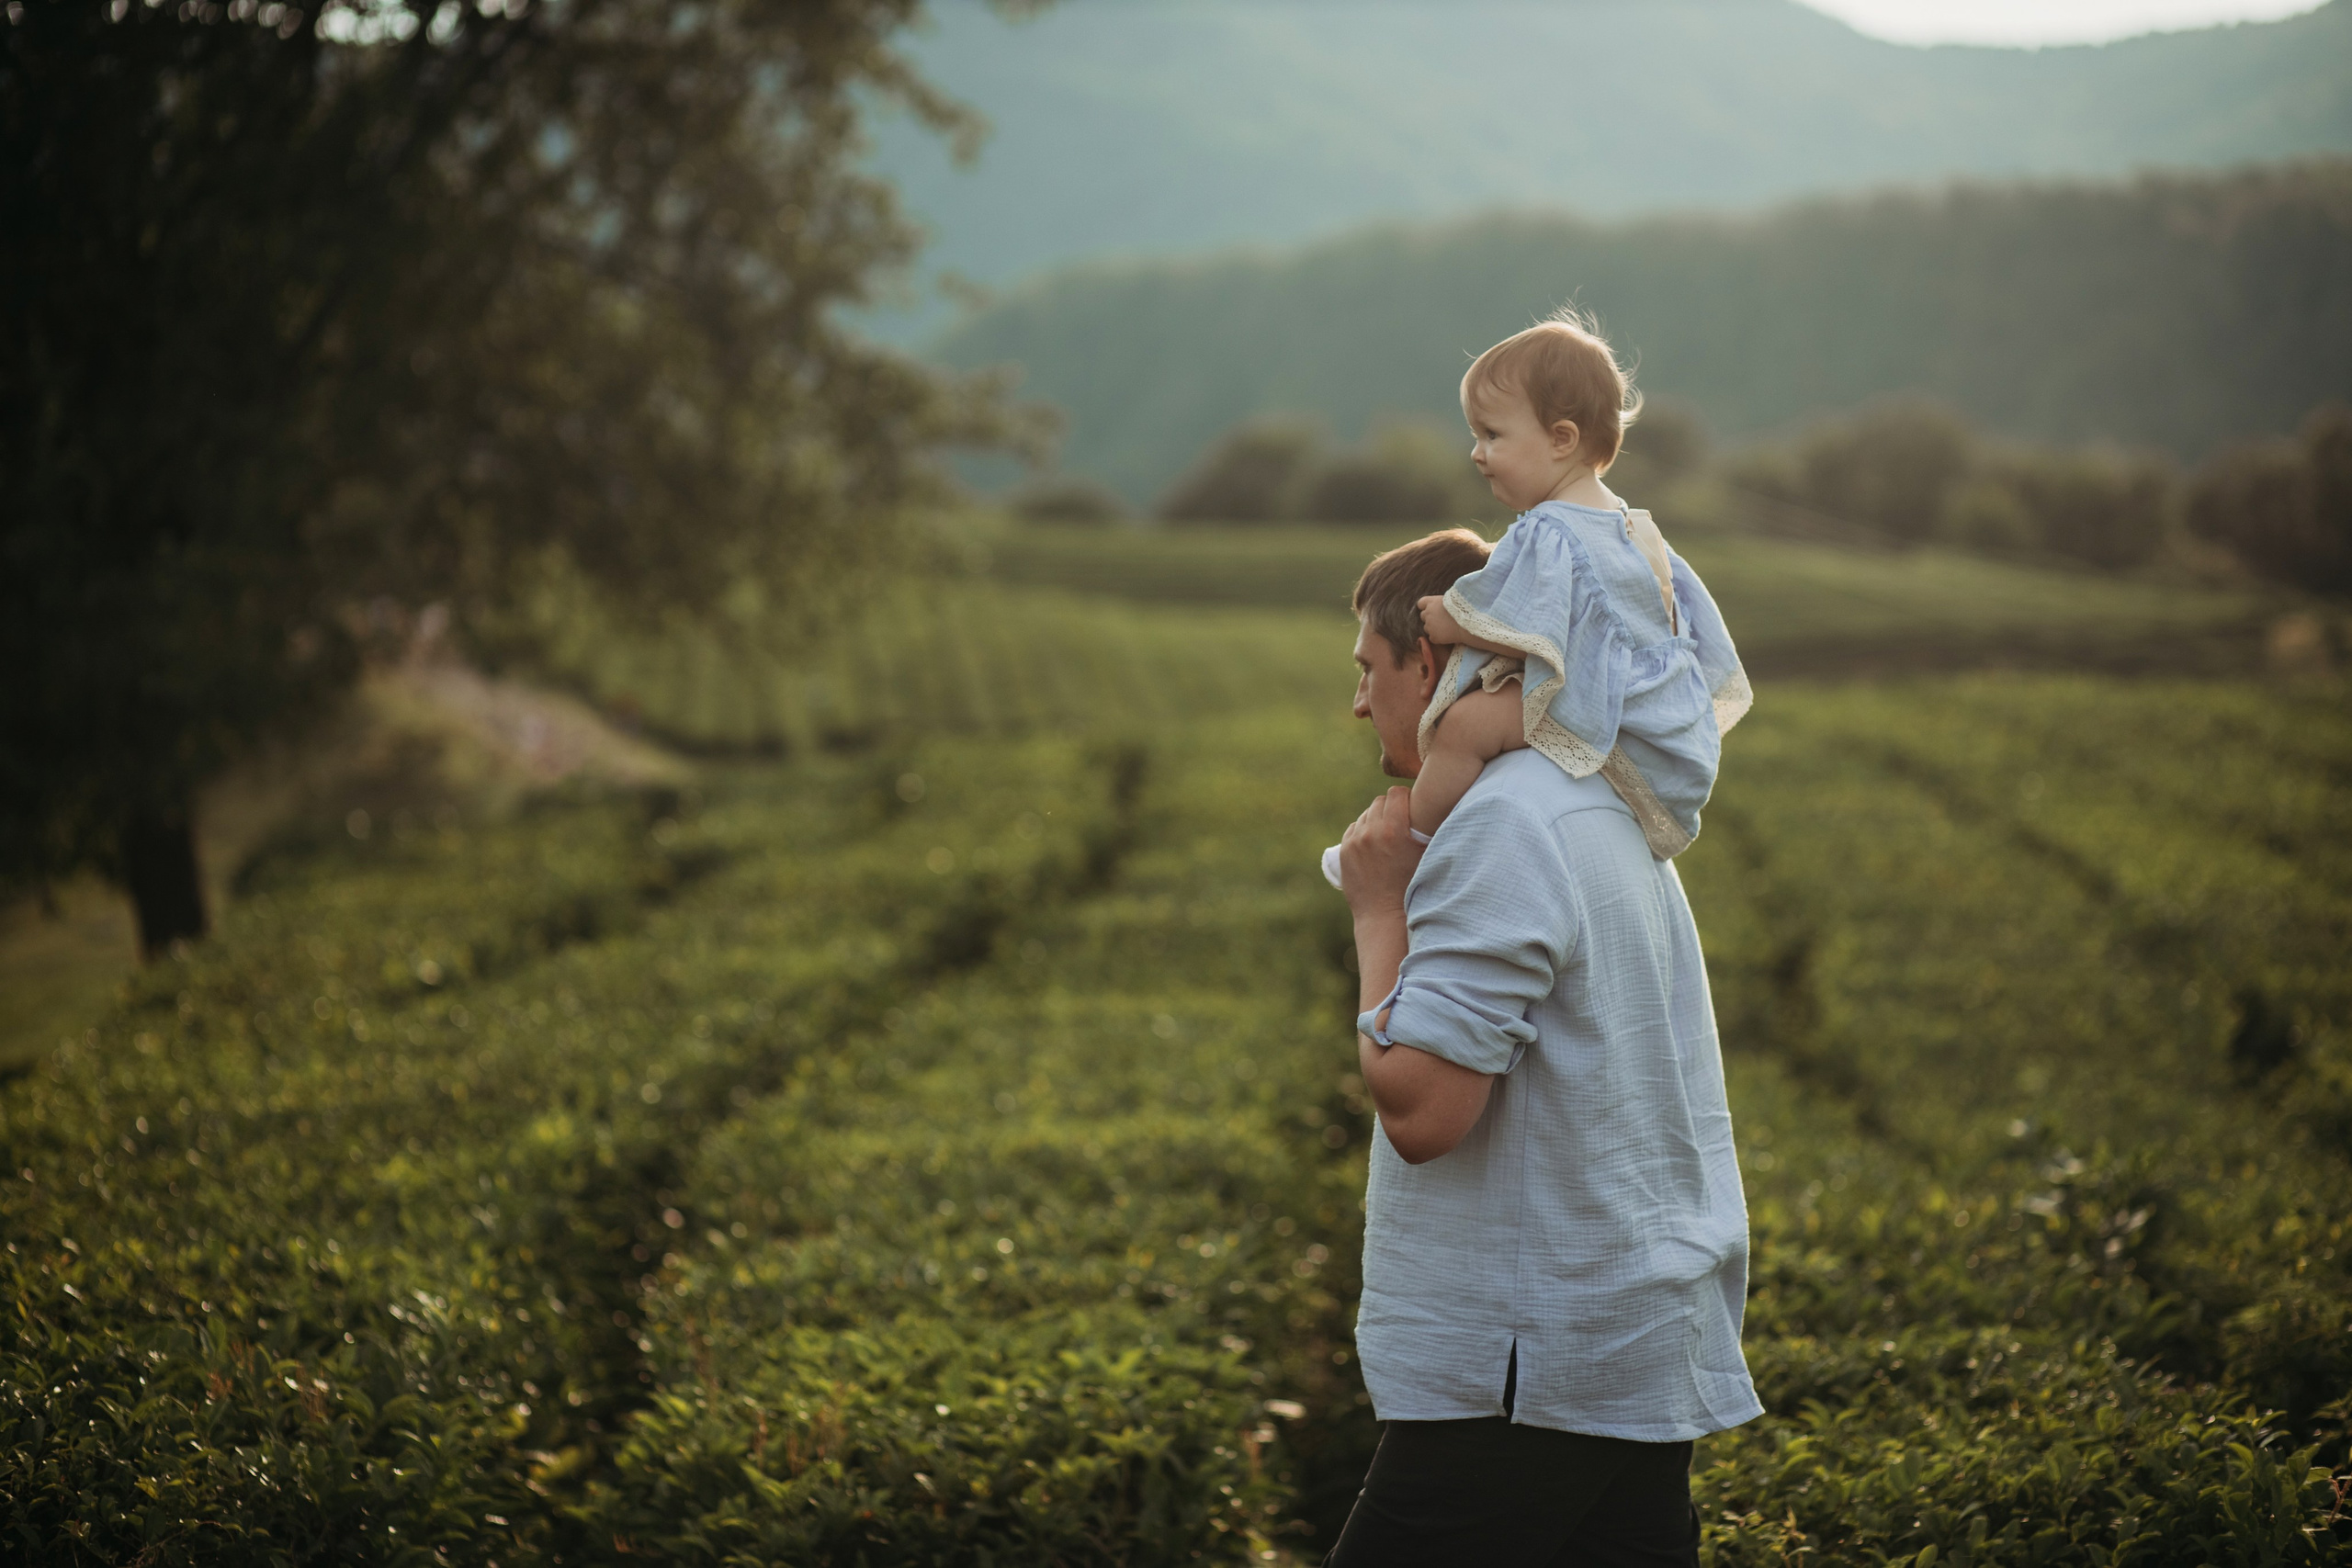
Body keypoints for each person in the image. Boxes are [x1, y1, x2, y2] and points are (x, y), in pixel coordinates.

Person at [1322, 525, 1761, 1565]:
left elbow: (1425, 1110)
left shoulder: (1502, 824)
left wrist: (1379, 912)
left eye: (1369, 669)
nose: (1358, 702)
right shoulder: (1601, 794)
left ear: (1431, 660)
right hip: (1627, 1334)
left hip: (1528, 1361)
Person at [1319, 310, 1747, 895]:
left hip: (1610, 709)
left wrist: (1455, 621)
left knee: (1463, 727)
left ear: (1561, 439)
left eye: (1492, 436)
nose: (1477, 454)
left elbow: (1532, 627)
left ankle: (1412, 845)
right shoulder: (1633, 527)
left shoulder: (1549, 529)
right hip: (1660, 716)